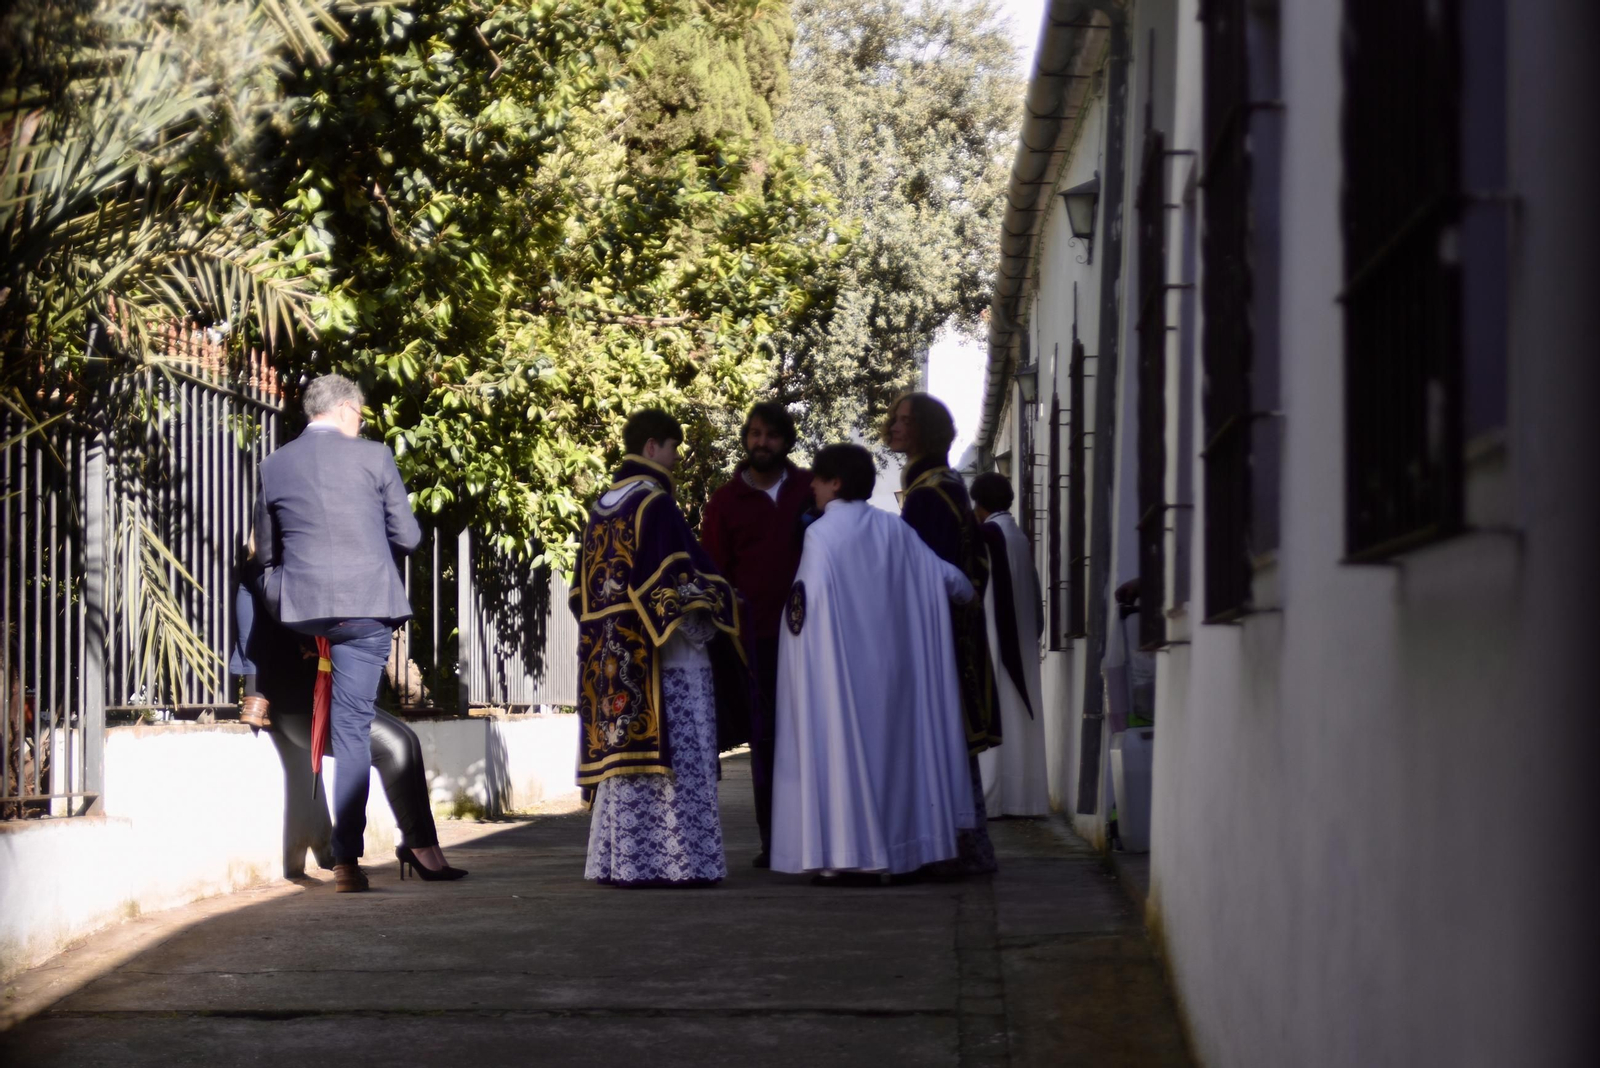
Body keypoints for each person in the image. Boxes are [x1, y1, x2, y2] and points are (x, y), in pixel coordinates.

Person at [252, 373, 444, 893]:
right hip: (363, 613)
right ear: (343, 410)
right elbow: (407, 535)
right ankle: (345, 860)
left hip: (300, 612)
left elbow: (265, 556)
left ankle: (346, 862)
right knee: (353, 730)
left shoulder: (273, 465)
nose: (361, 425)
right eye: (359, 415)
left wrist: (282, 595)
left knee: (356, 729)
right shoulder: (375, 457)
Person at [771, 444, 979, 881]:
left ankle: (851, 856)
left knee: (846, 759)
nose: (811, 486)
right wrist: (968, 594)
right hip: (894, 677)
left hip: (841, 674)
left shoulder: (821, 534)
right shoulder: (893, 529)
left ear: (836, 483)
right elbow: (950, 580)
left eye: (818, 479)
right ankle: (898, 855)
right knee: (893, 763)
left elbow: (805, 613)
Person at [569, 409, 750, 887]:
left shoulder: (602, 505)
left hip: (613, 663)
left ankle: (624, 862)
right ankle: (682, 863)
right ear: (652, 447)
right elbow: (676, 584)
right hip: (667, 660)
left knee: (626, 771)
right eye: (673, 448)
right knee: (678, 762)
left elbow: (579, 594)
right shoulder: (655, 504)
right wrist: (725, 600)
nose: (676, 458)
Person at [232, 566, 465, 882]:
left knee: (408, 741)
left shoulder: (321, 567)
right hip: (297, 705)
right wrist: (254, 689)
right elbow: (253, 635)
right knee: (395, 747)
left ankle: (423, 845)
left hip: (329, 694)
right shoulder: (268, 574)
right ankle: (399, 851)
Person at [885, 391, 1000, 874]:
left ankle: (947, 848)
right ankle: (960, 845)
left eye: (905, 421)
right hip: (954, 634)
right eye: (894, 418)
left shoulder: (930, 494)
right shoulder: (941, 484)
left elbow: (922, 573)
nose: (894, 426)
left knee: (936, 735)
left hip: (939, 639)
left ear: (927, 431)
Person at [700, 401, 814, 868]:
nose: (760, 442)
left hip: (812, 637)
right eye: (753, 434)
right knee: (766, 744)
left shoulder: (809, 489)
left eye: (770, 434)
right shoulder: (725, 502)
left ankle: (817, 836)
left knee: (812, 737)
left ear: (786, 440)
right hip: (755, 642)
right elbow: (713, 571)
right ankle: (774, 844)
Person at [969, 473, 1049, 817]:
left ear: (981, 504)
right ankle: (1024, 798)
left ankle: (995, 799)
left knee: (998, 712)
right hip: (1020, 637)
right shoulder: (1017, 535)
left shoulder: (989, 534)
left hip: (996, 638)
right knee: (1020, 717)